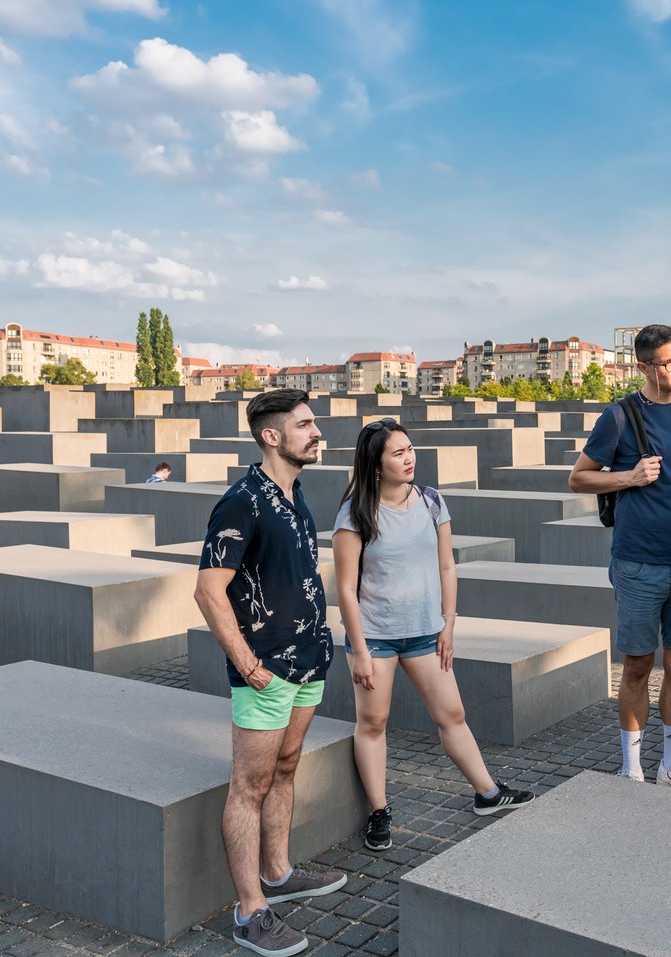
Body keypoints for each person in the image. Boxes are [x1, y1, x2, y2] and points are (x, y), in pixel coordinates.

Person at [333, 417, 533, 852]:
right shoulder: (355, 513)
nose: (409, 459)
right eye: (397, 453)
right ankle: (379, 811)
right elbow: (345, 589)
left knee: (452, 716)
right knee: (373, 723)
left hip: (426, 633)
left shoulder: (430, 500)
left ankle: (488, 793)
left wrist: (449, 623)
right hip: (376, 637)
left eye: (410, 449)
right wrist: (361, 651)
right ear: (375, 463)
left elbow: (447, 566)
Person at [194, 389, 347, 957]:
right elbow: (208, 592)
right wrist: (248, 666)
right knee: (249, 785)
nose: (317, 433)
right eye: (306, 425)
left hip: (309, 661)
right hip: (266, 669)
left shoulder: (294, 492)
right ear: (271, 436)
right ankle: (249, 911)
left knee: (285, 768)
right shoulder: (243, 501)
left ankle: (279, 874)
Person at [568, 324, 671, 792]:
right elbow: (579, 479)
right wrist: (630, 477)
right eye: (668, 362)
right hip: (638, 562)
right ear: (643, 367)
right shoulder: (618, 418)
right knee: (637, 666)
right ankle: (631, 770)